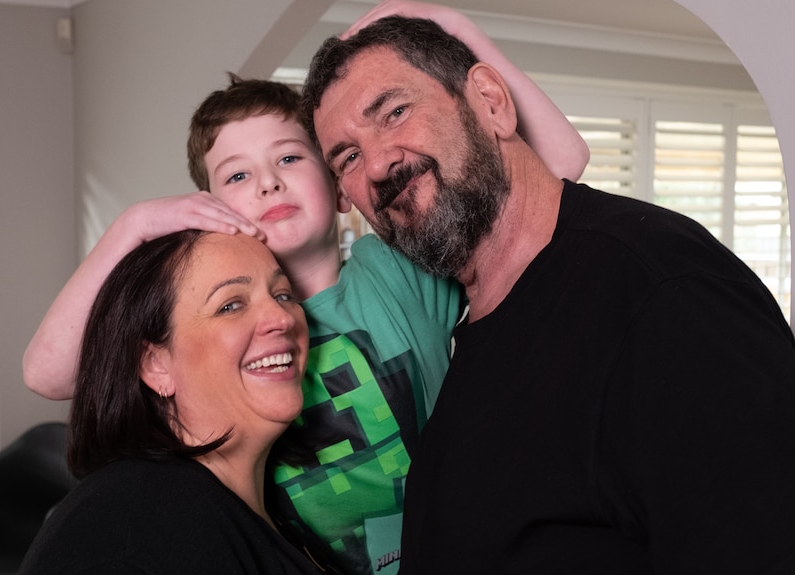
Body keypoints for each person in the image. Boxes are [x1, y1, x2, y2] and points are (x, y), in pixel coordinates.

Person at [22, 4, 588, 573]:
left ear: (342, 187)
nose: (269, 182)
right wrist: (134, 225)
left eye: (290, 158)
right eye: (238, 176)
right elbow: (48, 373)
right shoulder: (226, 328)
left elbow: (561, 164)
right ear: (213, 210)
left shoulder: (396, 267)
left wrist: (453, 30)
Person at [301, 6, 795, 575]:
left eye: (394, 112)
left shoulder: (664, 295)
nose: (381, 165)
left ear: (490, 101)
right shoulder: (467, 317)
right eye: (348, 157)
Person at [18, 231, 321, 574]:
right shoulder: (146, 529)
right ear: (155, 364)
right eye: (230, 305)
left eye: (283, 295)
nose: (283, 319)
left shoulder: (256, 510)